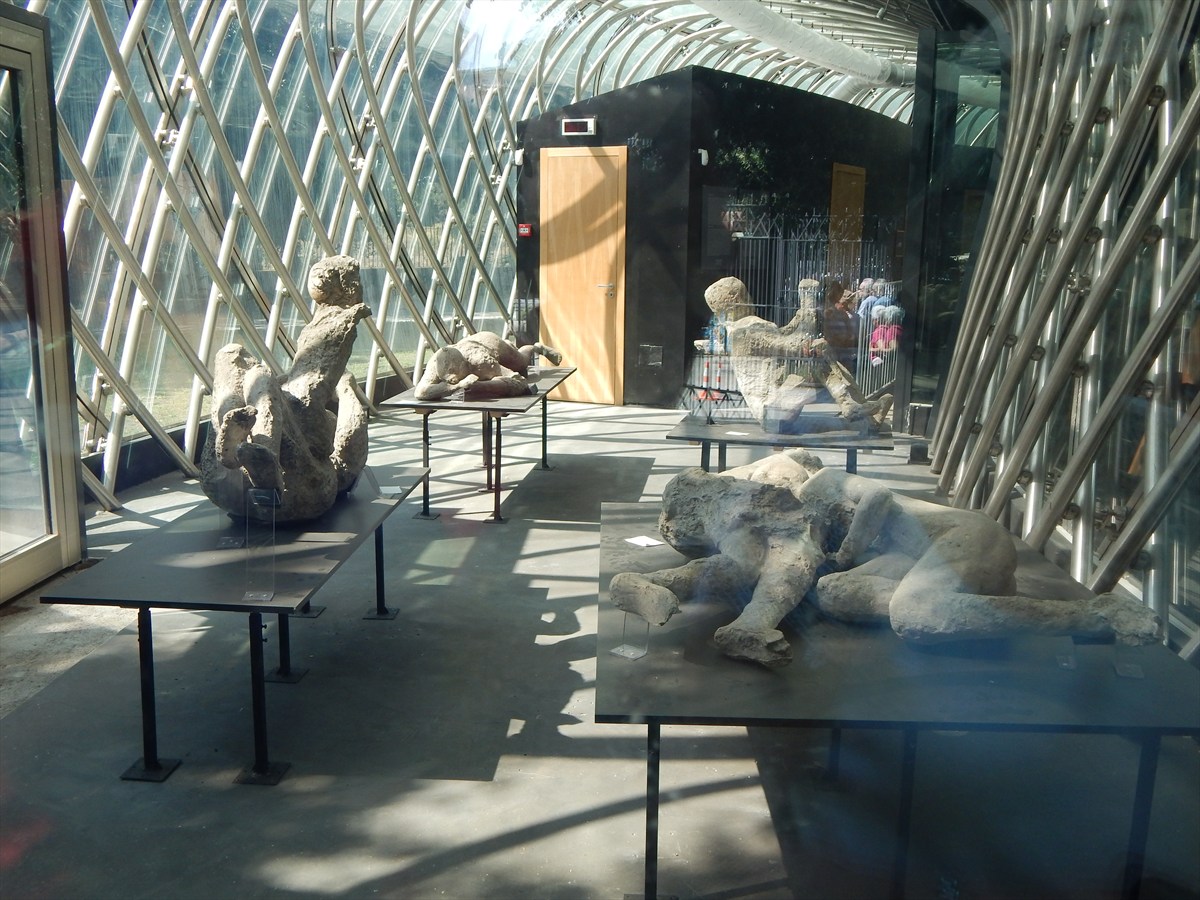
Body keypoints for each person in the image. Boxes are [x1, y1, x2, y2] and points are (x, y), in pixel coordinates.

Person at [609, 449, 1160, 666]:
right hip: (910, 557)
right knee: (835, 592)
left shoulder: (823, 483)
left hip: (961, 538)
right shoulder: (795, 502)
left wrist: (848, 548)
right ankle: (965, 606)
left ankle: (1095, 614)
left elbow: (874, 498)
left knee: (916, 616)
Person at [413, 332, 563, 401]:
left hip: (491, 343)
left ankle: (536, 348)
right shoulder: (436, 361)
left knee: (521, 362)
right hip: (471, 344)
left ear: (465, 364)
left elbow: (520, 382)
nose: (451, 379)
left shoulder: (480, 361)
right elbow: (420, 392)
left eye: (455, 373)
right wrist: (456, 386)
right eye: (446, 378)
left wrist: (483, 386)